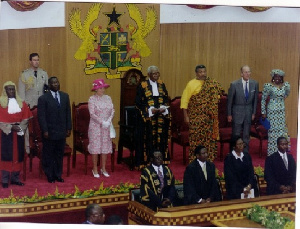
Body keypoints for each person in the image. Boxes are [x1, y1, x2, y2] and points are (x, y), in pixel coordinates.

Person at [180, 65, 223, 162]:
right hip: (196, 118)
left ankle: (209, 160)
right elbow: (184, 101)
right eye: (200, 72)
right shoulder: (191, 84)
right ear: (196, 73)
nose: (203, 74)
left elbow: (219, 95)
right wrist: (186, 116)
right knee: (196, 140)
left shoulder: (212, 83)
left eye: (204, 71)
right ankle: (194, 160)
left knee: (209, 140)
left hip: (209, 118)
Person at [135, 66, 170, 169]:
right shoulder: (142, 85)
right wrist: (150, 110)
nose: (156, 75)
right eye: (154, 73)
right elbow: (138, 103)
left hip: (160, 117)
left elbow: (166, 99)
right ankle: (147, 161)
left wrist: (163, 108)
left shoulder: (161, 84)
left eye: (157, 73)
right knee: (148, 139)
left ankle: (161, 160)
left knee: (160, 137)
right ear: (149, 74)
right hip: (148, 119)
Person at [37, 76, 72, 183]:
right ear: (49, 85)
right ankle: (50, 175)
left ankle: (58, 174)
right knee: (49, 154)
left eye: (57, 82)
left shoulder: (65, 96)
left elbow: (68, 113)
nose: (56, 84)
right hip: (49, 132)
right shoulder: (43, 99)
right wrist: (45, 130)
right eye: (53, 83)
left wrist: (68, 128)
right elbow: (41, 116)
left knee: (59, 154)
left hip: (61, 131)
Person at [0, 81, 32, 188]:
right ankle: (4, 179)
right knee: (5, 156)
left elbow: (26, 118)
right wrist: (9, 127)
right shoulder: (1, 103)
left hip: (19, 133)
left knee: (18, 156)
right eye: (9, 89)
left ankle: (15, 178)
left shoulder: (21, 103)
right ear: (5, 91)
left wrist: (20, 127)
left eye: (13, 89)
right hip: (5, 134)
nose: (11, 91)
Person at [18, 53, 48, 155]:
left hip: (42, 106)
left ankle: (42, 148)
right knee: (28, 130)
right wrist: (24, 107)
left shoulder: (44, 73)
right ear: (30, 61)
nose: (36, 62)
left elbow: (47, 91)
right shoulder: (24, 74)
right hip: (29, 106)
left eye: (38, 60)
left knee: (41, 127)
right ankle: (28, 149)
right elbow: (21, 94)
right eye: (34, 60)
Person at [227, 65, 259, 153]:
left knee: (246, 134)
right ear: (241, 74)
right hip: (237, 111)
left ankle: (245, 153)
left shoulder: (255, 83)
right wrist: (229, 114)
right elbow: (229, 101)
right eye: (245, 72)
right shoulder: (234, 84)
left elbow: (255, 100)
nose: (248, 74)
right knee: (236, 134)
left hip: (248, 112)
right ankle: (233, 153)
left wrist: (253, 112)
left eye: (249, 72)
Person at [88, 78, 114, 178]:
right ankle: (94, 168)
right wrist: (102, 122)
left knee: (105, 147)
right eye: (100, 88)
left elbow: (112, 110)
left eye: (103, 88)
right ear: (96, 89)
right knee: (95, 148)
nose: (102, 90)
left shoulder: (108, 98)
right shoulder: (92, 99)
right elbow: (92, 114)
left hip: (106, 126)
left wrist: (108, 121)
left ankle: (103, 168)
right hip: (95, 127)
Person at [261, 69, 290, 156]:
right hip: (272, 112)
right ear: (273, 77)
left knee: (281, 132)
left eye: (279, 77)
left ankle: (281, 152)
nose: (277, 78)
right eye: (275, 76)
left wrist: (281, 101)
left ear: (281, 78)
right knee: (273, 133)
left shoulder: (285, 86)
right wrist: (263, 112)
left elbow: (286, 95)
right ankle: (272, 154)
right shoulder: (268, 86)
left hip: (281, 112)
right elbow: (263, 99)